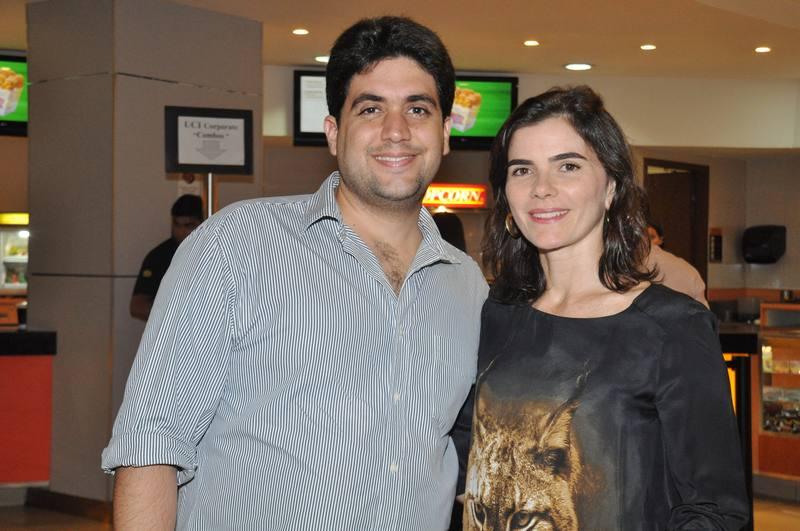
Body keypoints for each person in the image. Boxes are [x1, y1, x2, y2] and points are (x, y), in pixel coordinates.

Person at [102, 16, 488, 530]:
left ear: (444, 134)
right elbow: (151, 444)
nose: (396, 131)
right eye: (370, 108)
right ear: (334, 133)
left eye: (418, 109)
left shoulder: (467, 286)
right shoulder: (238, 244)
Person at [463, 86, 748, 530]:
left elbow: (716, 511)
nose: (542, 188)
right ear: (506, 194)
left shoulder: (673, 327)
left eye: (568, 166)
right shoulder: (493, 315)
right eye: (522, 170)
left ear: (611, 186)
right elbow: (465, 455)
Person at [129, 194, 203, 321]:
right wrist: (174, 315)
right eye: (177, 225)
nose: (181, 232)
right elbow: (137, 306)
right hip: (171, 328)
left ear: (202, 223)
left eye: (188, 226)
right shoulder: (159, 257)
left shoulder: (216, 253)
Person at [646, 221, 709, 307]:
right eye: (643, 238)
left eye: (652, 237)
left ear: (661, 240)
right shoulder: (687, 269)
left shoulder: (684, 268)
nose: (647, 242)